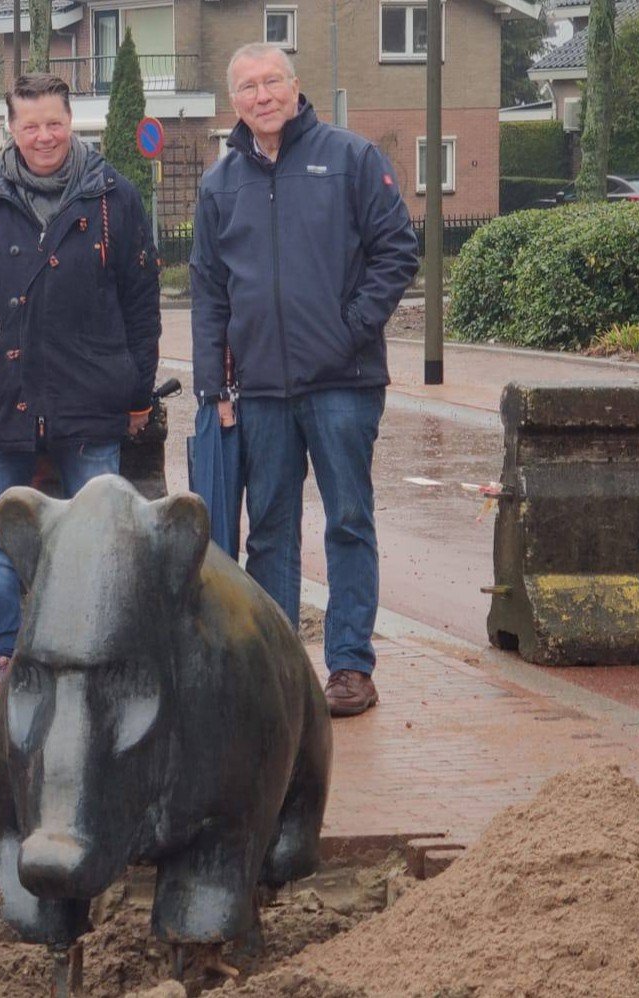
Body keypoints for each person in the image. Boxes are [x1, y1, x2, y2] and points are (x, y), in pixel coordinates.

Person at [191, 42, 419, 718]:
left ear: (295, 87)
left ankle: (350, 667)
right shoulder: (219, 184)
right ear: (233, 102)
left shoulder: (349, 159)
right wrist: (214, 387)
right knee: (270, 528)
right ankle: (279, 668)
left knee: (348, 519)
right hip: (259, 389)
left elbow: (397, 249)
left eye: (272, 82)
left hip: (343, 384)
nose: (261, 96)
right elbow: (208, 291)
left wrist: (349, 330)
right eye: (247, 87)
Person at [0, 73, 161, 716]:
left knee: (100, 546)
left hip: (90, 404)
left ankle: (95, 670)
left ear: (71, 120)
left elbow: (142, 304)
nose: (44, 137)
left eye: (54, 122)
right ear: (11, 129)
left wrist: (138, 391)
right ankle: (0, 664)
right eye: (30, 126)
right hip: (1, 399)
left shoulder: (115, 199)